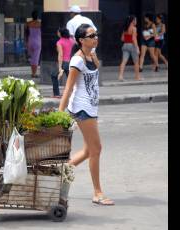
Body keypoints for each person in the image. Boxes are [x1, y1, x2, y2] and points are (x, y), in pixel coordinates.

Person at [59, 24, 114, 206]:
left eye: (96, 34)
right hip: (82, 108)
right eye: (91, 36)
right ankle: (97, 193)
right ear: (81, 40)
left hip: (91, 107)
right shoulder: (77, 61)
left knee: (89, 150)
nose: (95, 37)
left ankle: (62, 171)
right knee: (96, 149)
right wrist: (60, 115)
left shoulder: (91, 54)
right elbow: (68, 88)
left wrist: (94, 56)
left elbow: (96, 69)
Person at [51, 27, 74, 98]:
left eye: (58, 32)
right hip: (70, 62)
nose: (57, 33)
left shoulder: (59, 42)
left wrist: (60, 67)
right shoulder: (71, 41)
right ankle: (73, 93)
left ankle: (56, 94)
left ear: (61, 34)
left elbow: (60, 55)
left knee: (54, 75)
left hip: (63, 62)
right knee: (70, 78)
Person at [118, 15, 141, 81]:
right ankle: (137, 77)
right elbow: (134, 39)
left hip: (125, 45)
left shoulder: (125, 28)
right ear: (133, 21)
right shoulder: (134, 28)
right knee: (136, 62)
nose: (136, 21)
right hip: (132, 46)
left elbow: (122, 39)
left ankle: (120, 76)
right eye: (135, 20)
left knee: (124, 61)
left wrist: (127, 38)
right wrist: (137, 48)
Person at [26, 10, 41, 78]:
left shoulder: (28, 23)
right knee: (36, 58)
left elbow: (26, 33)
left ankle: (32, 72)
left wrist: (26, 42)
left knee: (32, 58)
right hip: (37, 42)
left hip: (30, 41)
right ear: (37, 16)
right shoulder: (40, 24)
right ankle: (34, 73)